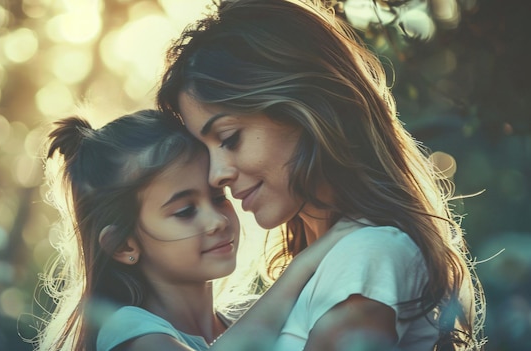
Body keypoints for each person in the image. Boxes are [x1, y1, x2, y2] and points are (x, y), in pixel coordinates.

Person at [156, 0, 487, 350]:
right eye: (204, 150)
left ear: (306, 109)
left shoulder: (366, 256)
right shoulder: (328, 267)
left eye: (228, 139)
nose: (215, 175)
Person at [32, 109, 348, 351]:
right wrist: (303, 266)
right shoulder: (129, 332)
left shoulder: (245, 318)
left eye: (218, 197)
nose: (218, 221)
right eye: (185, 211)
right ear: (123, 246)